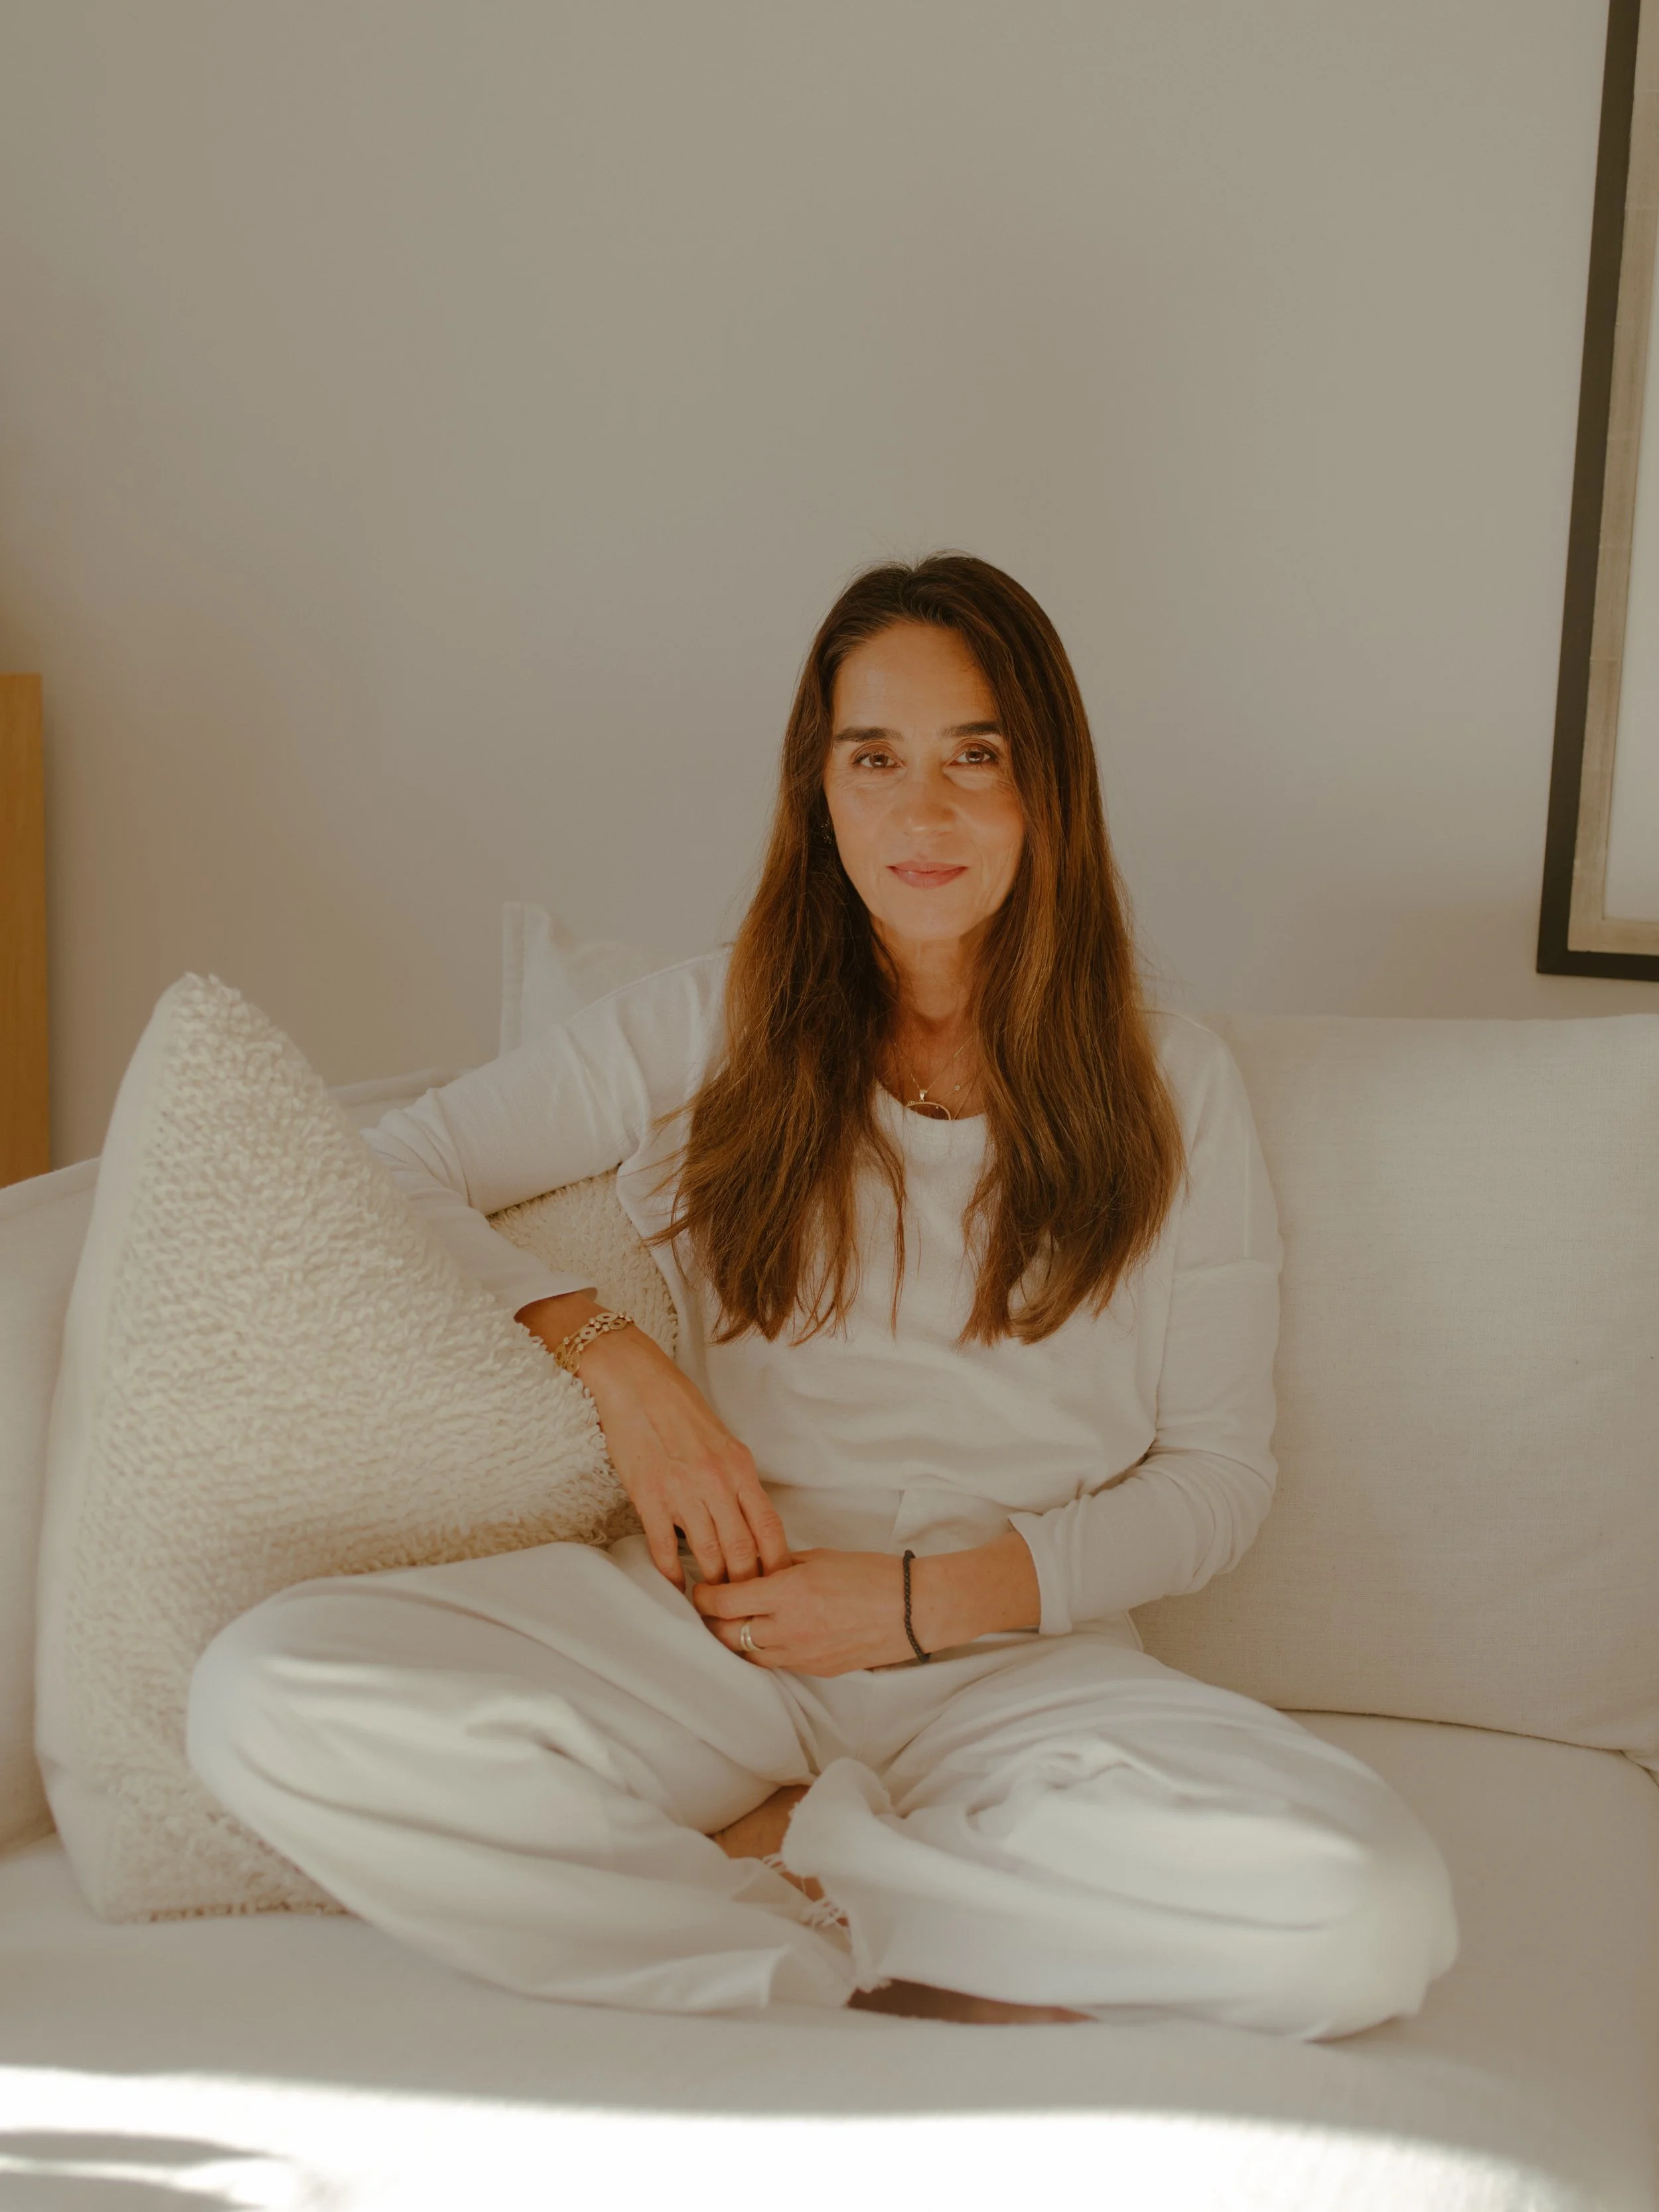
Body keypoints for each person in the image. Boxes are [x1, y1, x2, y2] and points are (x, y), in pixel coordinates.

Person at [187, 553, 1458, 2036]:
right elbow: (394, 1163)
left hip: (1012, 1668)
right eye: (876, 758)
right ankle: (829, 1947)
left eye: (974, 757)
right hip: (715, 1636)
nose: (922, 812)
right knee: (258, 1693)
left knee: (1371, 1912)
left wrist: (921, 1606)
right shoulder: (719, 1018)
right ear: (820, 789)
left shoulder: (1172, 1083)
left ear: (1047, 788)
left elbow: (1215, 1480)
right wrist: (620, 1371)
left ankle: (807, 1865)